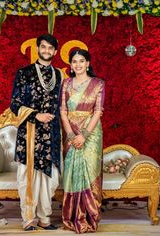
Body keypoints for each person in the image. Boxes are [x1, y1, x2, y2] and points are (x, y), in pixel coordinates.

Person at [10, 34, 62, 231]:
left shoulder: (60, 75)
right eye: (43, 47)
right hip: (30, 132)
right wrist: (36, 115)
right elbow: (14, 104)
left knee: (51, 178)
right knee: (28, 177)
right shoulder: (24, 73)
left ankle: (45, 219)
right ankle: (28, 220)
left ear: (55, 52)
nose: (46, 50)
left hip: (52, 135)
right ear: (38, 48)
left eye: (50, 48)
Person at [60, 49, 105, 234]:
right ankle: (72, 217)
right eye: (74, 61)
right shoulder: (66, 83)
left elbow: (98, 111)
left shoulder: (98, 84)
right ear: (70, 65)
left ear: (88, 63)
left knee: (90, 170)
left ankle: (90, 217)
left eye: (81, 61)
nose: (78, 65)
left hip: (91, 133)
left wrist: (84, 135)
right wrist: (71, 134)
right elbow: (62, 110)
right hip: (71, 131)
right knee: (72, 172)